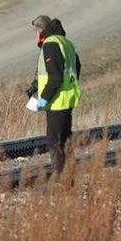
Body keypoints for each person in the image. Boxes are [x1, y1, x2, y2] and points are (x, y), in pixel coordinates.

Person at [25, 14, 82, 173]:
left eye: (35, 31)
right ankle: (68, 177)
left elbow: (55, 77)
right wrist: (35, 86)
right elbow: (75, 67)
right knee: (64, 141)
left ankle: (61, 179)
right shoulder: (66, 42)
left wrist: (43, 99)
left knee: (55, 141)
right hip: (67, 99)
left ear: (40, 30)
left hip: (56, 101)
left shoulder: (50, 44)